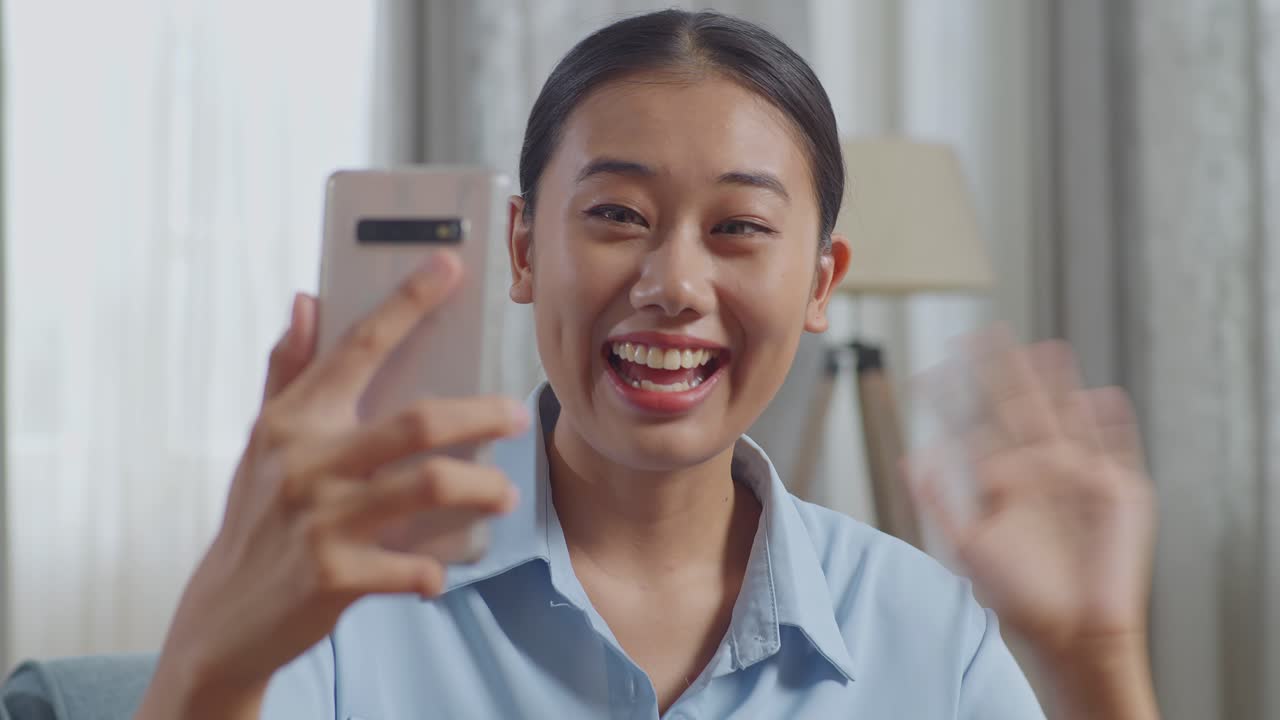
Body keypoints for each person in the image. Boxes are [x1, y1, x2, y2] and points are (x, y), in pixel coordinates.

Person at [136, 9, 1159, 719]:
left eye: (739, 227)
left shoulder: (925, 631)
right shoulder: (347, 588)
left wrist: (1096, 661)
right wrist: (210, 657)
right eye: (617, 215)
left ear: (820, 283)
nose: (673, 283)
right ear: (523, 250)